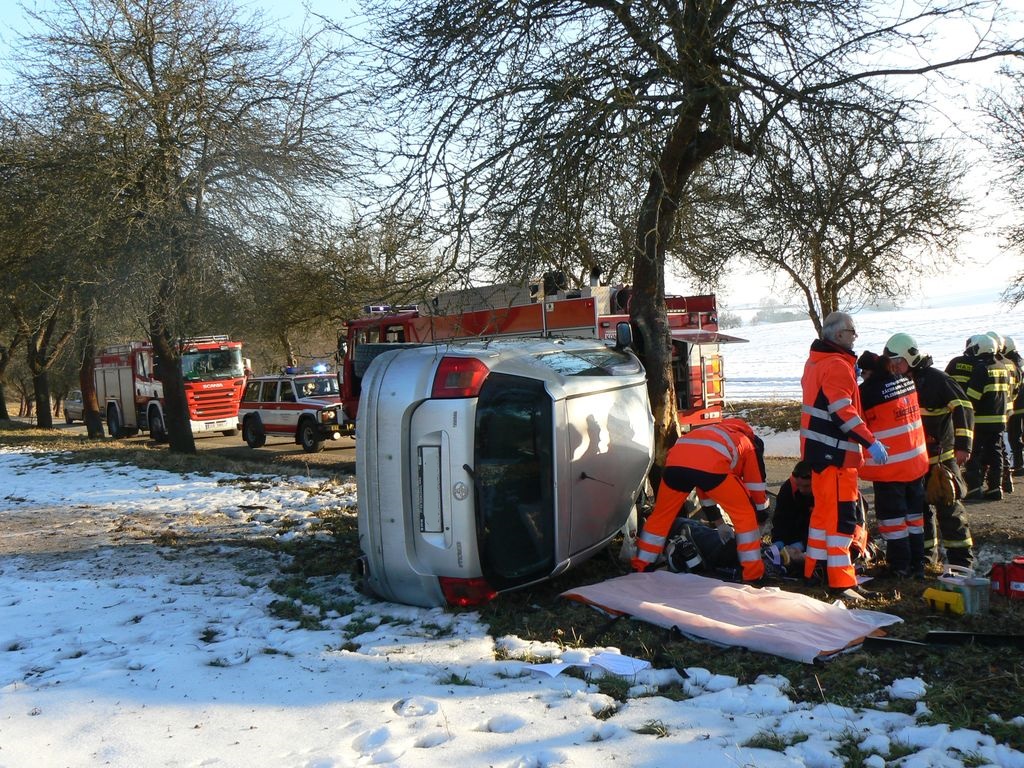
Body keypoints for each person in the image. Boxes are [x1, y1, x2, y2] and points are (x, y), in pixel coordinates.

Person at [800, 311, 888, 598]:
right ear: (838, 335)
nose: (855, 336)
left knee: (822, 517)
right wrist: (870, 441)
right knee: (840, 521)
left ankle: (814, 571)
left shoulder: (817, 361)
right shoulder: (837, 365)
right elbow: (842, 411)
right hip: (836, 456)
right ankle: (842, 583)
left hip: (819, 454)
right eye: (852, 331)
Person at [632, 418, 770, 583]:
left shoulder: (714, 433)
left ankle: (642, 564)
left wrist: (719, 523)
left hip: (674, 465)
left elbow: (703, 485)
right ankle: (753, 574)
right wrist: (761, 516)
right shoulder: (749, 444)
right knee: (745, 515)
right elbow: (756, 486)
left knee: (661, 515)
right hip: (709, 468)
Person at [885, 332, 975, 569]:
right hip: (915, 462)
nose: (894, 367)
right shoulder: (898, 383)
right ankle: (926, 560)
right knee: (919, 512)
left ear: (911, 357)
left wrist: (963, 446)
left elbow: (963, 407)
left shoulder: (938, 380)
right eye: (891, 363)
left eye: (898, 361)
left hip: (942, 460)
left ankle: (961, 564)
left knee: (950, 512)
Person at [859, 346, 930, 577]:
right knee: (914, 518)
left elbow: (854, 418)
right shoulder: (906, 382)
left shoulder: (868, 392)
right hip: (915, 463)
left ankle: (899, 566)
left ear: (869, 372)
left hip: (891, 467)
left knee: (893, 520)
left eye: (862, 373)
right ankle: (918, 564)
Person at [963, 333, 1011, 501]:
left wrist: (965, 416)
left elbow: (972, 397)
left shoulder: (982, 369)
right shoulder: (1002, 367)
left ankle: (975, 488)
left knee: (974, 453)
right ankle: (995, 488)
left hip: (981, 420)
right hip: (999, 419)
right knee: (996, 453)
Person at [1005, 336, 1024, 478]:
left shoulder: (1011, 363)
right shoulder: (1019, 361)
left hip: (1017, 405)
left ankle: (1019, 464)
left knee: (1014, 435)